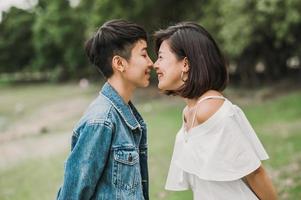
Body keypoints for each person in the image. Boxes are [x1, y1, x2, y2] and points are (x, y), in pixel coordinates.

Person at [153, 22, 277, 200]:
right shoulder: (189, 112)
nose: (155, 64)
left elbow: (255, 172)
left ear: (185, 64)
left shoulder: (211, 108)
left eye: (161, 57)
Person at [56, 19, 153, 200]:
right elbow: (72, 195)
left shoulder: (124, 113)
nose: (151, 63)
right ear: (119, 63)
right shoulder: (101, 121)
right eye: (144, 54)